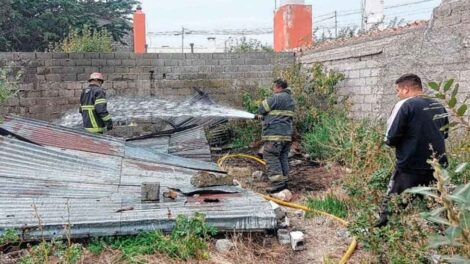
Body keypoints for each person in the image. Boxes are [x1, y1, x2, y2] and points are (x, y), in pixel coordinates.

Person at [377, 73, 449, 227]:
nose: (397, 94)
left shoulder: (405, 105)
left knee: (392, 205)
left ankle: (380, 233)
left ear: (405, 90)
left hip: (410, 166)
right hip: (437, 166)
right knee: (440, 208)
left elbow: (391, 138)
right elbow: (445, 133)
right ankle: (445, 239)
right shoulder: (439, 105)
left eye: (397, 91)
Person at [256, 79, 295, 193]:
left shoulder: (277, 97)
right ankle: (284, 182)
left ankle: (278, 184)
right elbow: (279, 115)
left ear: (278, 87)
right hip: (286, 135)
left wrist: (260, 115)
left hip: (275, 135)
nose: (273, 89)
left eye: (273, 87)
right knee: (282, 157)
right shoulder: (290, 100)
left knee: (270, 156)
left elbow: (262, 108)